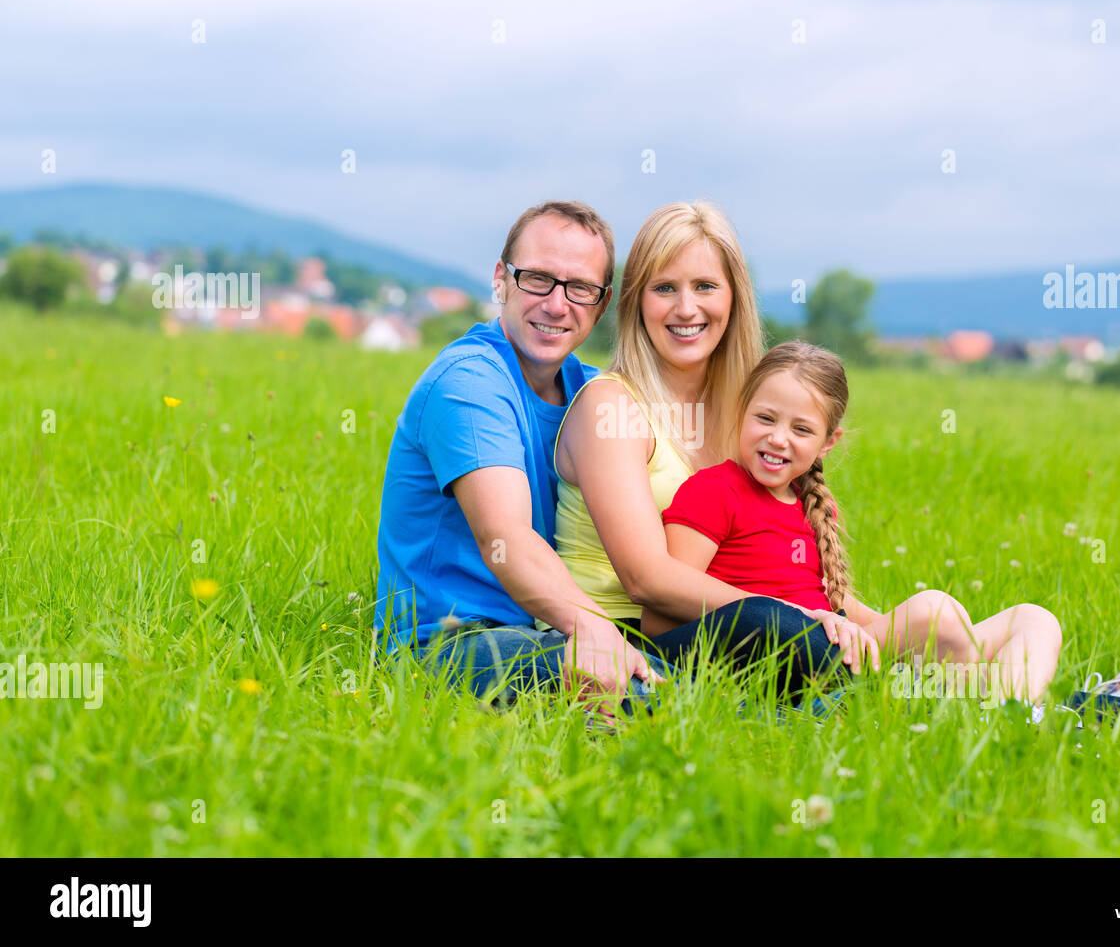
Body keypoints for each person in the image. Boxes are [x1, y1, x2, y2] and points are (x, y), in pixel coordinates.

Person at [551, 200, 869, 701]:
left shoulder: (747, 412)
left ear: (734, 298)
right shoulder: (610, 407)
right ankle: (866, 682)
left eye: (704, 286)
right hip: (625, 636)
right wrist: (793, 614)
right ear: (636, 301)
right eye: (664, 288)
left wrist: (851, 620)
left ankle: (923, 671)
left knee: (865, 634)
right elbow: (646, 580)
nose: (686, 308)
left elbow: (778, 555)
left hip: (724, 630)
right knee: (775, 626)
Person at [374, 200, 664, 717]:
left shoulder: (592, 392)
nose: (556, 305)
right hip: (450, 642)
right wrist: (600, 633)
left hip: (548, 625)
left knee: (707, 665)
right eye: (537, 279)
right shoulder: (469, 381)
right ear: (501, 280)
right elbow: (504, 539)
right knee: (646, 686)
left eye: (579, 289)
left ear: (601, 304)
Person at [651, 341, 1063, 705]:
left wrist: (885, 629)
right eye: (765, 419)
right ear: (741, 412)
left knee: (1033, 619)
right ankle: (993, 695)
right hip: (777, 647)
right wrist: (797, 615)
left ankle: (1009, 708)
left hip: (835, 650)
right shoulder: (714, 490)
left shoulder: (810, 507)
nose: (778, 438)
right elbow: (664, 605)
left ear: (827, 443)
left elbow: (836, 605)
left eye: (801, 429)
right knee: (934, 611)